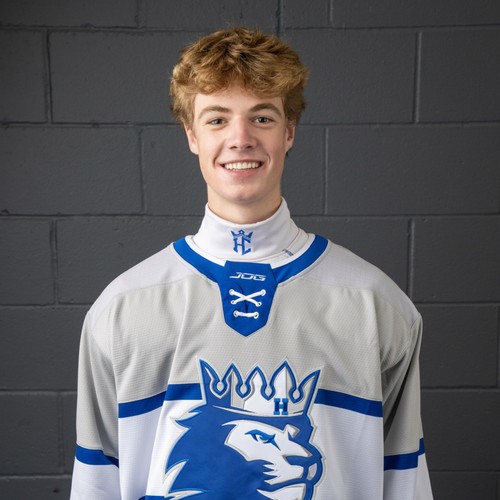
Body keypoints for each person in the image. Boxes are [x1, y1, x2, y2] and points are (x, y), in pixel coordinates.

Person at [70, 27, 433, 499]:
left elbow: (405, 482)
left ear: (289, 132)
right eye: (217, 119)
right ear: (192, 135)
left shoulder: (376, 305)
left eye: (261, 117)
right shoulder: (121, 309)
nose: (240, 139)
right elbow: (96, 483)